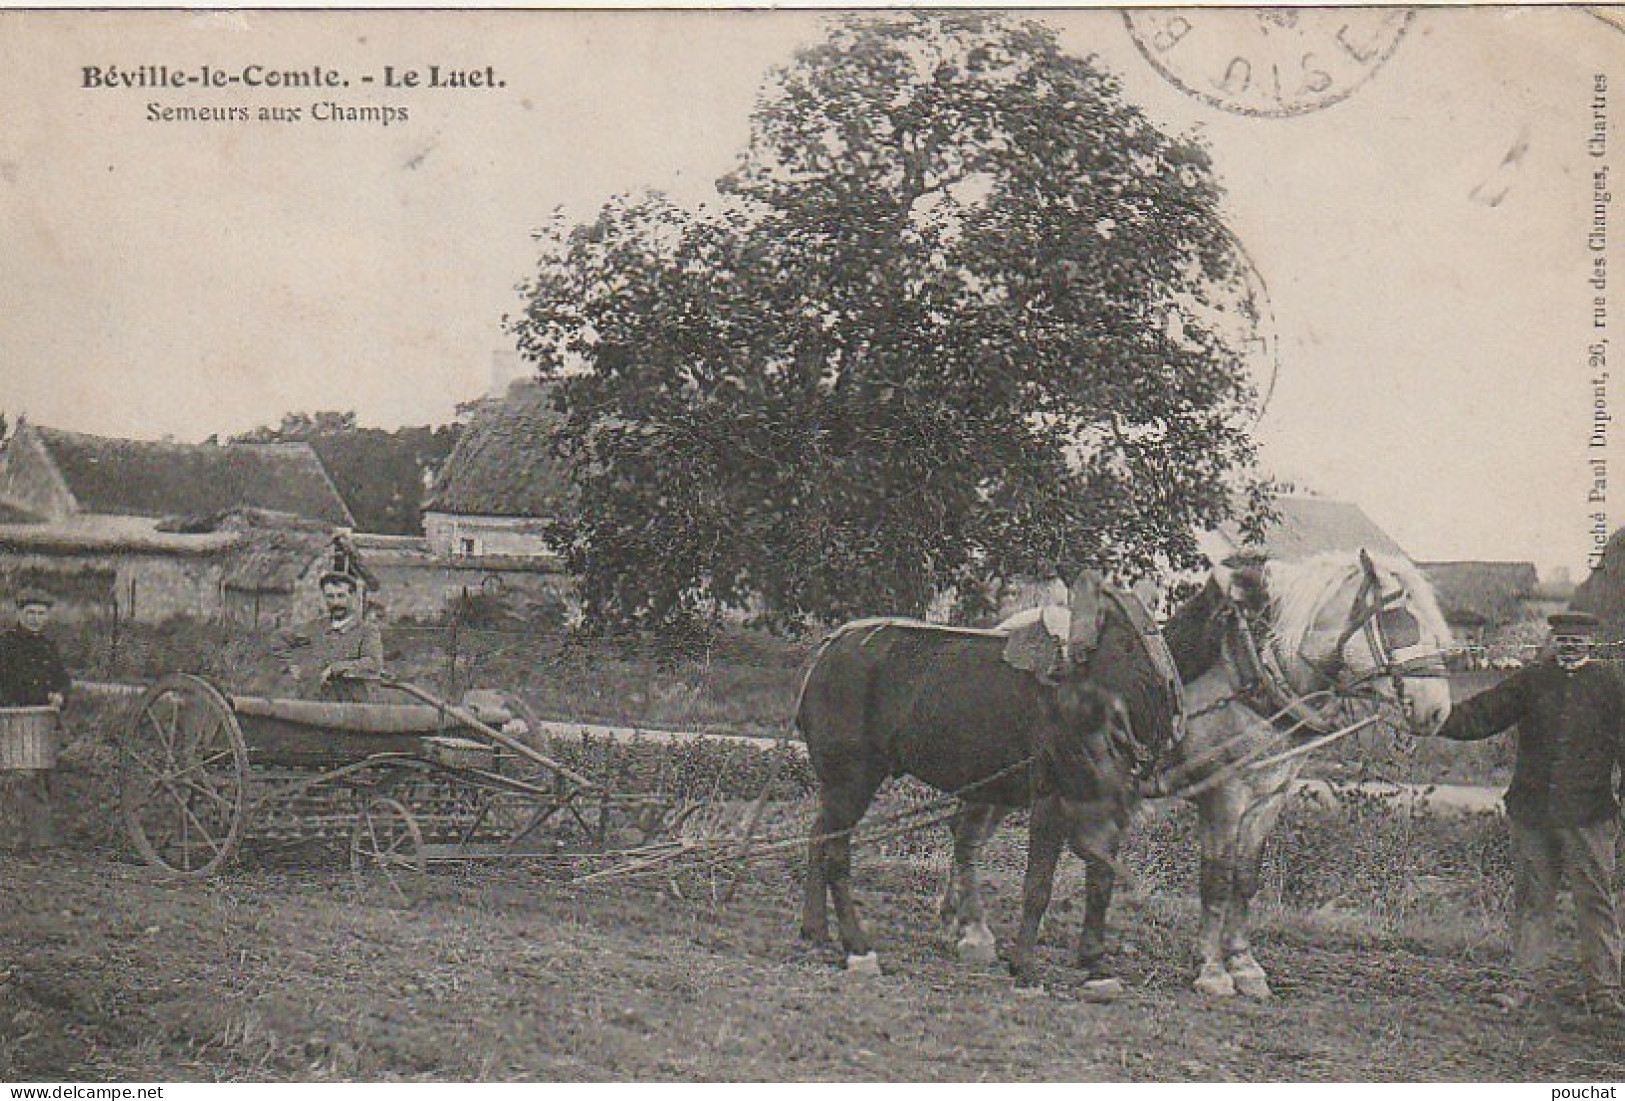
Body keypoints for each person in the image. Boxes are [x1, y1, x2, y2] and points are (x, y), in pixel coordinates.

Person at [1425, 610, 1625, 1015]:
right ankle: (1523, 985)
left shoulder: (1611, 686)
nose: (1570, 644)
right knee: (1533, 899)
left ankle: (1604, 991)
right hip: (1532, 813)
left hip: (1590, 815)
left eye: (1578, 638)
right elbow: (1483, 714)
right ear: (1554, 640)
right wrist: (1435, 718)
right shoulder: (1531, 681)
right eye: (1563, 638)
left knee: (1596, 901)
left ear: (1590, 641)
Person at [272, 571, 384, 703]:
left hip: (352, 702)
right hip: (315, 699)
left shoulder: (367, 630)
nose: (336, 602)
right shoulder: (315, 627)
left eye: (341, 596)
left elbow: (372, 662)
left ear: (353, 596)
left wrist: (335, 668)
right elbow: (279, 639)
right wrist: (292, 666)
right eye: (330, 596)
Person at [0, 588, 71, 709]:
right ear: (19, 613)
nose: (36, 619)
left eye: (41, 613)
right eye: (30, 613)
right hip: (12, 715)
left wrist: (60, 696)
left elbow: (62, 679)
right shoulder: (6, 643)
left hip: (45, 714)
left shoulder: (48, 646)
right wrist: (44, 696)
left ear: (47, 616)